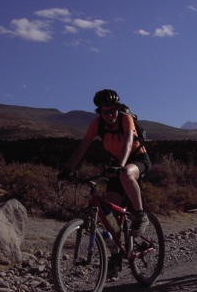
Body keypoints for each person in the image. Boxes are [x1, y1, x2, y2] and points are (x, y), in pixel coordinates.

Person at [59, 89, 151, 236]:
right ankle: (117, 250)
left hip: (137, 159)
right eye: (105, 112)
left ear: (118, 109)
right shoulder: (97, 124)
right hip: (117, 165)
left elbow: (128, 143)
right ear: (99, 112)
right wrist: (67, 170)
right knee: (109, 212)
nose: (109, 115)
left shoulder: (126, 119)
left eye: (113, 111)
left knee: (126, 173)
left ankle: (140, 215)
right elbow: (82, 148)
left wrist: (120, 166)